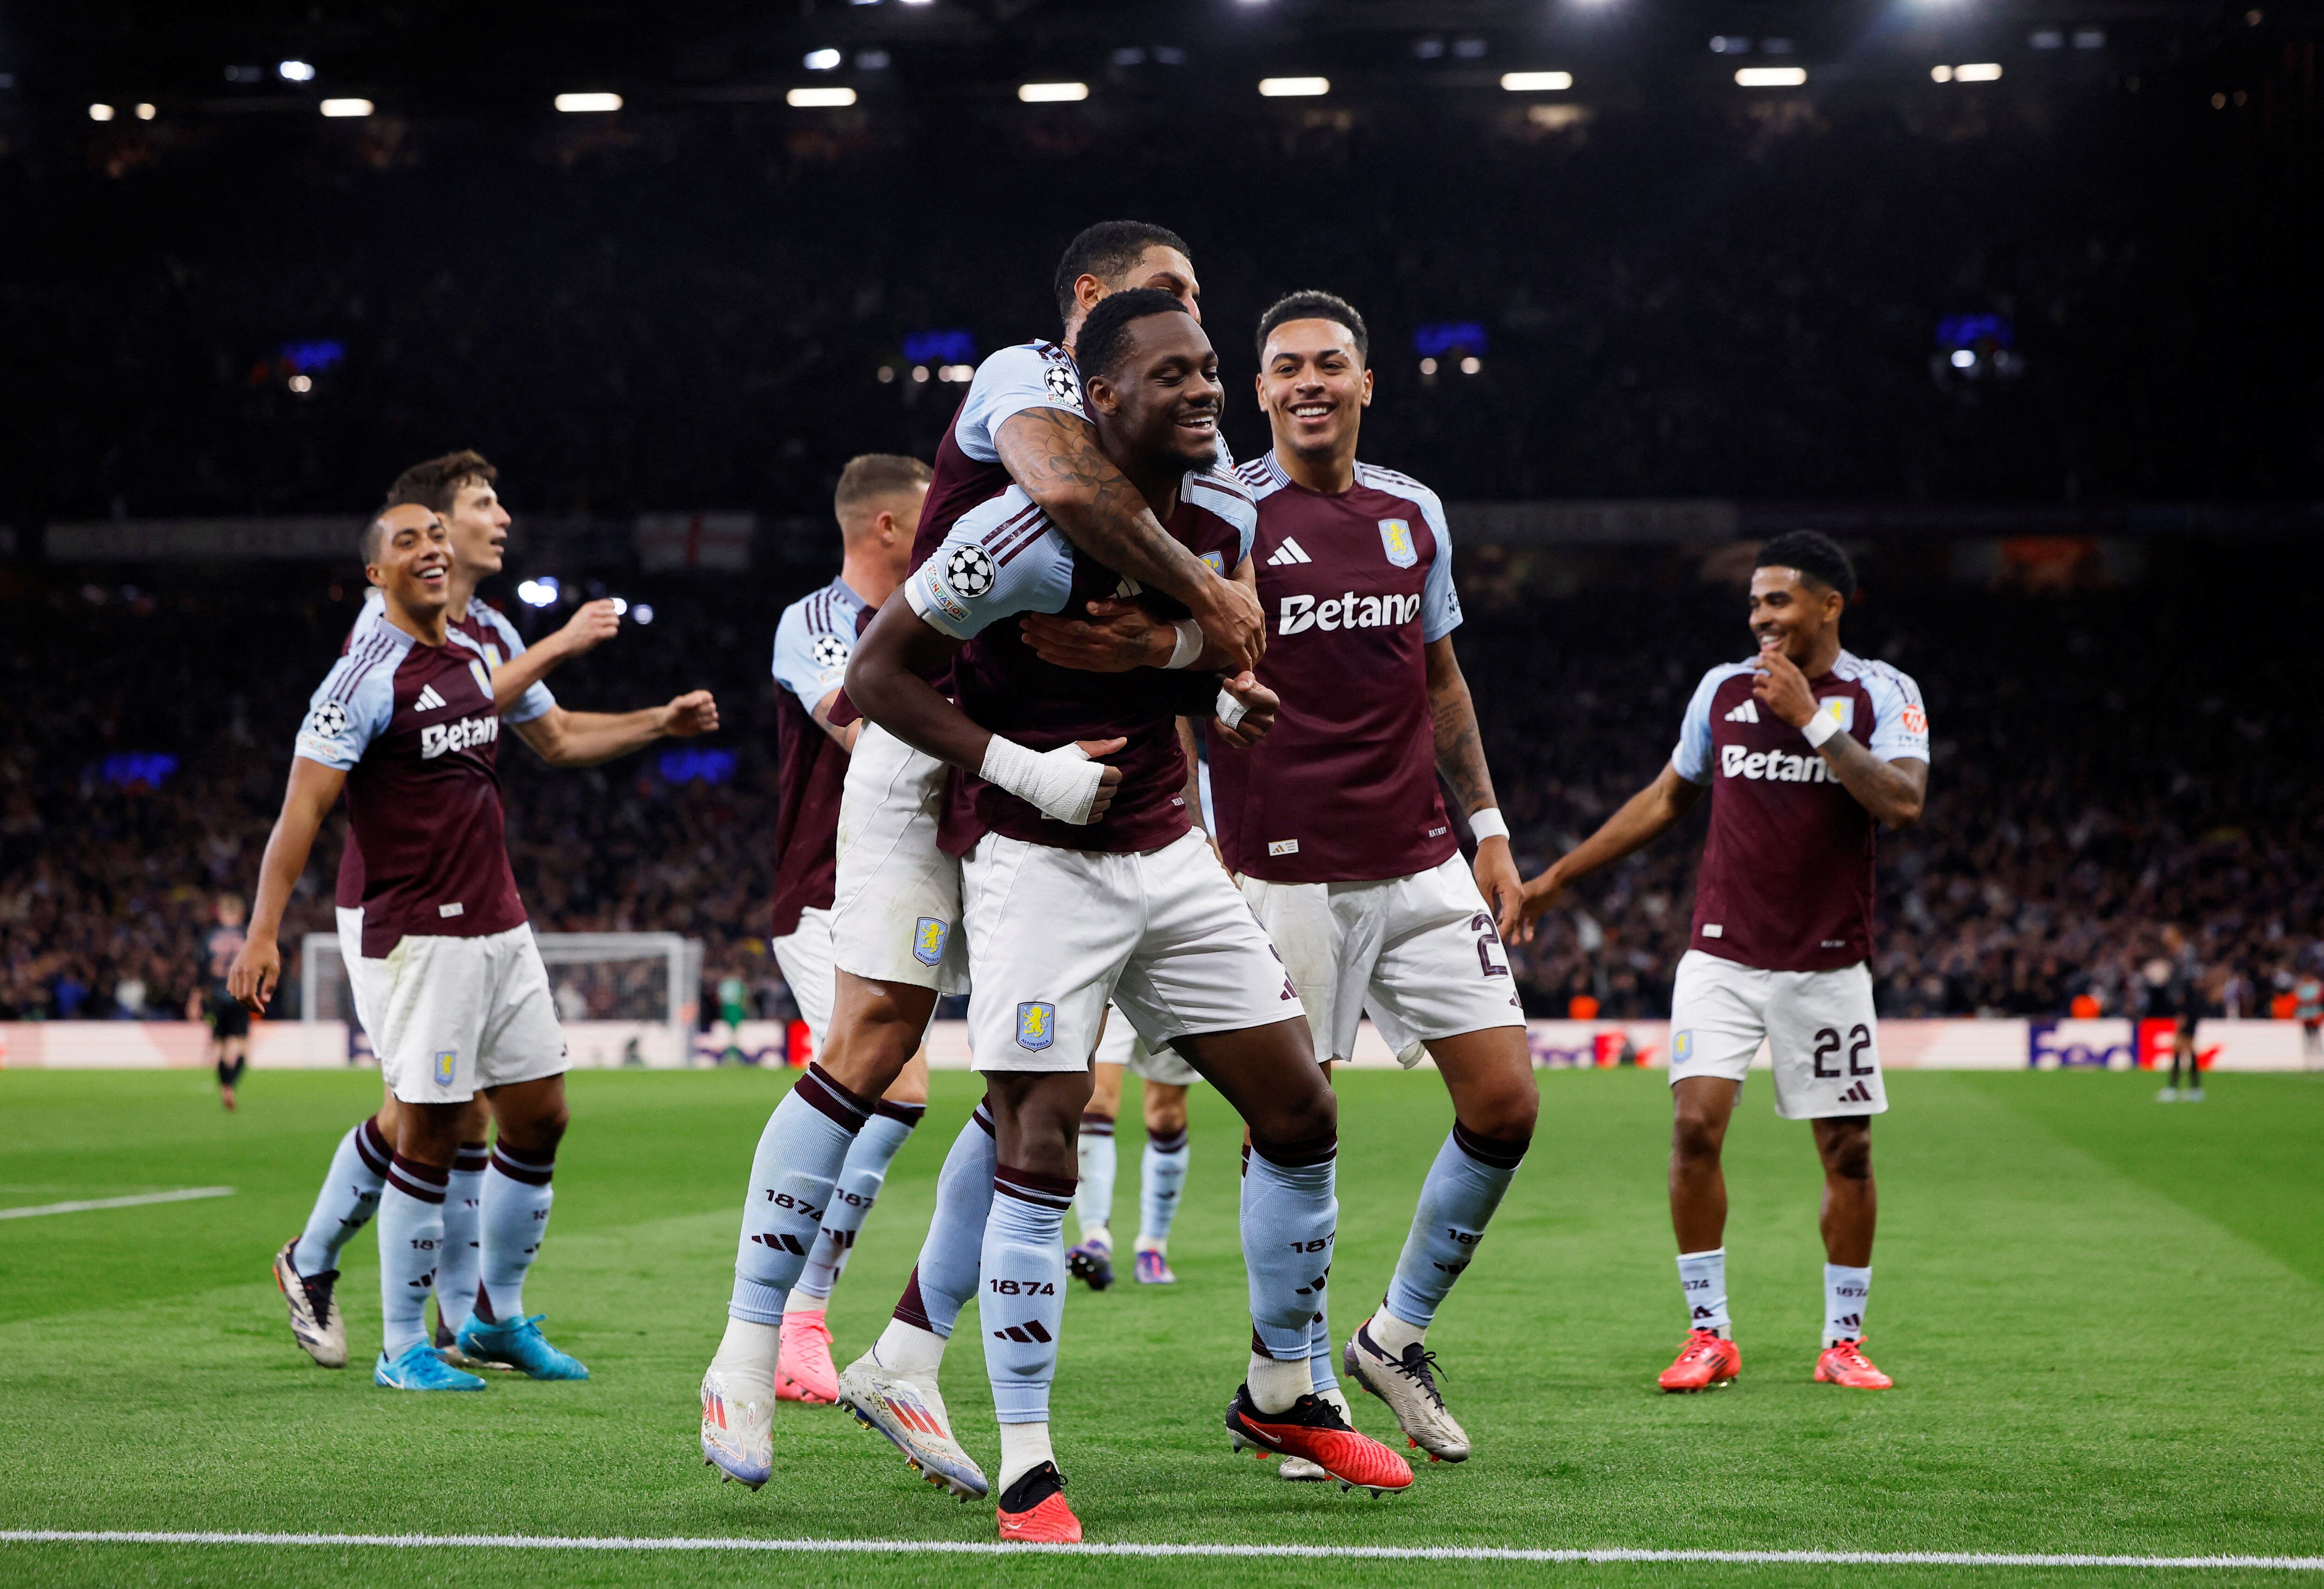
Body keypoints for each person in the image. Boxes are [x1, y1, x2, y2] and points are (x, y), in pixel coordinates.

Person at [698, 219, 1262, 1497]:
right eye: (1159, 296)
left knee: (1031, 1092)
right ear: (1089, 302)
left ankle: (904, 1355)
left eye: (1194, 306)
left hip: (1077, 793)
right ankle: (743, 1349)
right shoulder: (1026, 378)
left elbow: (1204, 585)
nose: (1182, 327)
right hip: (932, 745)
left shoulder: (1191, 438)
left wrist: (1205, 657)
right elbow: (1071, 492)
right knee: (873, 1041)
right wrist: (1208, 606)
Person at [844, 288, 1413, 1541]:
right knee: (1040, 1134)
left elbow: (1235, 653)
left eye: (1210, 371)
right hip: (1039, 860)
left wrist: (1206, 686)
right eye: (1173, 376)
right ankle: (1029, 1464)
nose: (1206, 391)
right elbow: (874, 676)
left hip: (1166, 850)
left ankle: (1281, 1386)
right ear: (1101, 403)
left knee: (1300, 1106)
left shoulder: (1222, 510)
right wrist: (1023, 766)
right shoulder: (1015, 537)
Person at [1022, 290, 1534, 1466]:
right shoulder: (1217, 508)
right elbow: (1138, 656)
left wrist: (1491, 824)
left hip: (1421, 859)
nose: (1309, 381)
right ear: (1258, 392)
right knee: (1292, 1123)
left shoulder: (1414, 511)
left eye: (1331, 364)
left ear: (1366, 384)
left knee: (1506, 1104)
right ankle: (1284, 1373)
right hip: (1281, 870)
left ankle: (1392, 1336)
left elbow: (1441, 680)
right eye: (1286, 366)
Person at [238, 501, 714, 1392]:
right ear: (377, 573)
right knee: (432, 1127)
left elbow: (534, 725)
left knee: (540, 1112)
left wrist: (644, 713)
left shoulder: (468, 653)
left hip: (500, 920)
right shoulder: (360, 676)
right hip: (420, 931)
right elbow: (302, 808)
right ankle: (401, 1345)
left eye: (434, 537)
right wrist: (263, 929)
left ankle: (494, 1317)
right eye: (406, 541)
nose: (430, 549)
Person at [1519, 530, 1929, 1395]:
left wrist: (1810, 719)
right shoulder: (1720, 690)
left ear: (1828, 605)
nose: (1760, 620)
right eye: (1753, 604)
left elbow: (1903, 801)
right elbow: (1667, 797)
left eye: (1777, 601)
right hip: (1722, 956)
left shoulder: (1882, 692)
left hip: (1827, 965)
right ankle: (1709, 1332)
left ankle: (1843, 1341)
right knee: (1696, 1127)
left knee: (1848, 1152)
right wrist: (1557, 878)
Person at [759, 454, 937, 1404]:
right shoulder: (818, 622)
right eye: (930, 515)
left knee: (900, 1092)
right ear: (884, 528)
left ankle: (797, 1316)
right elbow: (861, 737)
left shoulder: (938, 619)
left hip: (911, 890)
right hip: (826, 889)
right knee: (895, 1083)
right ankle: (795, 1321)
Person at [1066, 1007, 1195, 1290]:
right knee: (1096, 1099)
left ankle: (1153, 1247)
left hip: (1166, 982)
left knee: (1167, 1117)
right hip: (1112, 975)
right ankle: (1095, 1238)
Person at [189, 894, 252, 1111]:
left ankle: (226, 1086)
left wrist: (195, 999)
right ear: (241, 913)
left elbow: (201, 970)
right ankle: (232, 1083)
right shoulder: (248, 935)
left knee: (222, 1047)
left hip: (217, 996)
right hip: (241, 995)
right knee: (243, 1047)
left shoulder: (210, 937)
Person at [2153, 924, 2205, 1102]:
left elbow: (2189, 985)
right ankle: (2192, 1089)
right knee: (2186, 1048)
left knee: (2183, 1047)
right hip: (2187, 1007)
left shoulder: (2186, 955)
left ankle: (2177, 1088)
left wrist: (2184, 1012)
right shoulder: (2181, 955)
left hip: (2189, 1008)